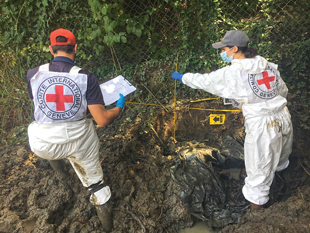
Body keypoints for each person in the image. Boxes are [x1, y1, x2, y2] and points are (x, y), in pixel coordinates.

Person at [171, 30, 293, 210]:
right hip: (283, 116)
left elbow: (207, 81)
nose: (222, 52)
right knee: (280, 158)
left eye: (224, 49)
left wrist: (183, 77)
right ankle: (282, 190)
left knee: (258, 172)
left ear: (234, 49)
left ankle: (257, 219)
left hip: (262, 126)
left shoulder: (234, 72)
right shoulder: (266, 65)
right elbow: (282, 91)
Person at [26, 28, 124, 231]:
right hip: (78, 143)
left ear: (51, 49)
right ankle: (108, 228)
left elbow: (47, 107)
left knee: (41, 128)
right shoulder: (86, 77)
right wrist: (119, 107)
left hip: (42, 145)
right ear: (75, 48)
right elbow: (102, 120)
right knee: (97, 185)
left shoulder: (32, 74)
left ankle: (63, 175)